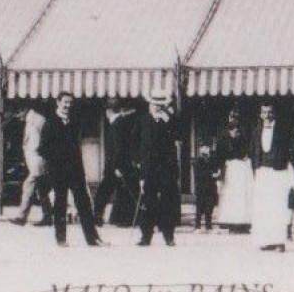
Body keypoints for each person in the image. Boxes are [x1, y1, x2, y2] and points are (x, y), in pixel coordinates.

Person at [39, 92, 101, 248]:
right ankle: (61, 238)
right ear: (58, 102)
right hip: (58, 171)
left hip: (76, 170)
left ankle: (92, 239)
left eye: (70, 103)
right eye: (65, 102)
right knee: (60, 203)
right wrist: (55, 161)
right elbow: (43, 149)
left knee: (84, 204)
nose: (68, 106)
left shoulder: (73, 122)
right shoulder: (50, 123)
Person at [248, 103, 294, 252]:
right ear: (260, 115)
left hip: (278, 172)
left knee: (278, 207)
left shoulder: (283, 131)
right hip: (262, 173)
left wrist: (287, 164)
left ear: (274, 114)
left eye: (270, 112)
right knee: (263, 208)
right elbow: (252, 150)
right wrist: (256, 167)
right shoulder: (256, 131)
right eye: (264, 112)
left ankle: (279, 242)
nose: (267, 115)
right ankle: (267, 240)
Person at [135, 92, 181, 247]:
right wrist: (138, 166)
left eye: (160, 105)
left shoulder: (171, 121)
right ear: (150, 105)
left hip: (167, 168)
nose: (157, 108)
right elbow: (135, 145)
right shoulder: (143, 121)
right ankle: (145, 237)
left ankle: (169, 236)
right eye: (154, 105)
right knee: (147, 203)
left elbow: (180, 136)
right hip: (148, 169)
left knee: (168, 202)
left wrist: (169, 121)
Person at [93, 98, 139, 228]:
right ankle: (123, 219)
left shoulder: (116, 124)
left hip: (115, 166)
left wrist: (117, 166)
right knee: (123, 191)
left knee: (104, 191)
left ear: (108, 111)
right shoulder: (123, 122)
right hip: (119, 165)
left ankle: (98, 216)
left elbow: (118, 147)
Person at [9, 104, 51, 226]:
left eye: (18, 114)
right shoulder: (31, 120)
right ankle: (48, 216)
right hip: (35, 161)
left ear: (23, 109)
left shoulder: (38, 120)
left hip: (39, 161)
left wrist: (42, 153)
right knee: (42, 190)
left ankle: (22, 217)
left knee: (28, 186)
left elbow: (45, 139)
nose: (18, 117)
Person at [215, 110, 254, 233]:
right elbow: (219, 154)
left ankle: (244, 223)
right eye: (231, 117)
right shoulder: (223, 137)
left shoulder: (244, 135)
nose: (233, 121)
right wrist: (219, 169)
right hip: (230, 168)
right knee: (230, 196)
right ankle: (231, 223)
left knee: (242, 196)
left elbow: (248, 149)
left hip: (242, 168)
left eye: (235, 118)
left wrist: (245, 156)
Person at [191, 141, 220, 231]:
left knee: (209, 207)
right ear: (200, 149)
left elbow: (216, 169)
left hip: (211, 186)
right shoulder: (198, 160)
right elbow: (198, 174)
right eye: (204, 147)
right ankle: (197, 225)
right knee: (199, 207)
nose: (206, 150)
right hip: (201, 186)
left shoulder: (212, 159)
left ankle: (208, 225)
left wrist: (217, 173)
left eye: (207, 148)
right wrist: (211, 174)